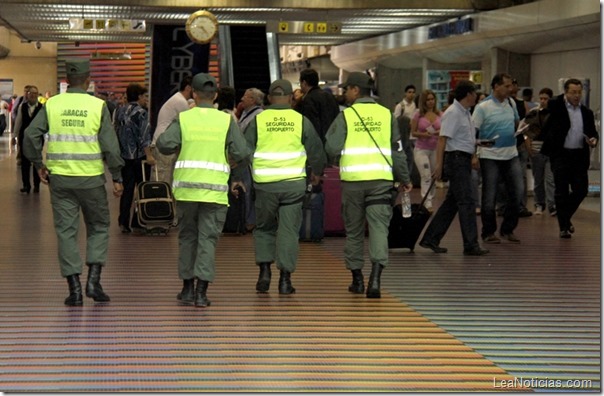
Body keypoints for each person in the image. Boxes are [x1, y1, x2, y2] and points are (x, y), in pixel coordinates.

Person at [23, 59, 124, 306]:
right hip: (90, 180)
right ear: (88, 80)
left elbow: (30, 134)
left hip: (61, 180)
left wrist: (38, 164)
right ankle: (94, 281)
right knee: (99, 226)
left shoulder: (53, 104)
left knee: (66, 232)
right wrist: (118, 176)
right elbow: (110, 146)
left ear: (67, 81)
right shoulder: (98, 105)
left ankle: (75, 290)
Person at [156, 73, 250, 307]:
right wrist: (229, 162)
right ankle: (201, 293)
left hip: (187, 191)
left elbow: (164, 144)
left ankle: (187, 289)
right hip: (215, 192)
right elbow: (242, 152)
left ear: (194, 95)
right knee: (207, 239)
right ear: (215, 95)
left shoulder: (185, 119)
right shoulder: (226, 121)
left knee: (187, 237)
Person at [325, 72, 412, 299]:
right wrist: (404, 178)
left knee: (354, 232)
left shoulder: (346, 116)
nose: (344, 94)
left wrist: (338, 161)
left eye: (346, 89)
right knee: (379, 230)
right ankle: (375, 279)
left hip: (353, 183)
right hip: (380, 183)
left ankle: (357, 280)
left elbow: (331, 147)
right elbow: (397, 150)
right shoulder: (387, 114)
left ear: (355, 90)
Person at [237, 79, 325, 295]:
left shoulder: (259, 121)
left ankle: (264, 273)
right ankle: (285, 280)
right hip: (293, 185)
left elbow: (244, 151)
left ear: (268, 98)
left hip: (266, 186)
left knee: (264, 228)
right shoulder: (300, 120)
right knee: (288, 232)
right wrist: (317, 172)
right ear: (290, 98)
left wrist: (238, 177)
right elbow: (316, 149)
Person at [418, 80, 489, 256]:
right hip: (456, 161)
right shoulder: (453, 113)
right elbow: (443, 139)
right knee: (466, 201)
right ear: (468, 95)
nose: (476, 97)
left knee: (452, 203)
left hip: (461, 159)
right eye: (474, 93)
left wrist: (476, 146)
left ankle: (431, 238)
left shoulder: (464, 112)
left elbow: (462, 137)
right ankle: (470, 244)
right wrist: (439, 166)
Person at [540, 78, 599, 238]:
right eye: (573, 92)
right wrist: (562, 98)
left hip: (579, 155)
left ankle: (564, 216)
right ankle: (563, 227)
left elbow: (593, 132)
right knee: (561, 191)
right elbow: (551, 103)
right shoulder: (557, 106)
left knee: (581, 190)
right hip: (561, 155)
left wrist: (593, 140)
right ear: (565, 92)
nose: (577, 96)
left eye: (579, 92)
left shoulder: (586, 113)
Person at [472, 73, 523, 244]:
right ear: (496, 86)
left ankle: (508, 229)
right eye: (507, 86)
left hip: (511, 153)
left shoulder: (511, 103)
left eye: (511, 86)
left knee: (517, 192)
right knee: (489, 195)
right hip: (489, 155)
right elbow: (472, 132)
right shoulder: (482, 107)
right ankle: (488, 232)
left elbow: (516, 123)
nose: (511, 89)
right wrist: (474, 155)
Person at [114, 83, 153, 233]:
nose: (145, 99)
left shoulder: (120, 111)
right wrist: (149, 155)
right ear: (138, 97)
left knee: (127, 190)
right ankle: (139, 221)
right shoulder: (141, 113)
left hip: (124, 156)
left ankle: (123, 220)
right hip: (139, 157)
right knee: (142, 189)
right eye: (144, 96)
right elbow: (144, 136)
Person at [151, 75, 192, 184]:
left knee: (162, 180)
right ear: (188, 88)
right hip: (164, 146)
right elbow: (189, 123)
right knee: (163, 182)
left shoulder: (177, 99)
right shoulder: (181, 102)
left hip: (162, 144)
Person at [523, 87, 556, 216]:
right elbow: (526, 130)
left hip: (550, 149)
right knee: (538, 178)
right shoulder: (532, 113)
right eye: (541, 98)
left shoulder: (555, 113)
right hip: (536, 148)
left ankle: (552, 204)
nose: (543, 101)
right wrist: (528, 146)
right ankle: (539, 204)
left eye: (546, 99)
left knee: (550, 178)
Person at [410, 89, 441, 211]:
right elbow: (413, 132)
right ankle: (426, 202)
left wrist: (438, 132)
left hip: (435, 149)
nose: (430, 102)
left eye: (432, 99)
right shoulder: (418, 115)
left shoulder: (440, 114)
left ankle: (430, 199)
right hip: (421, 149)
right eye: (428, 100)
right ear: (423, 101)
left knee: (433, 176)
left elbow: (445, 129)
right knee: (426, 175)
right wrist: (423, 134)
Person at [297, 68, 340, 144]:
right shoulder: (330, 96)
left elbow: (311, 126)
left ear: (304, 83)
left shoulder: (309, 99)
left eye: (300, 83)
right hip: (333, 142)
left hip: (319, 145)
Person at [14, 85, 43, 194]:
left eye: (36, 93)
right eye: (32, 93)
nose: (34, 95)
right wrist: (14, 136)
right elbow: (18, 121)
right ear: (28, 94)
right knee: (25, 163)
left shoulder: (41, 107)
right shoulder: (23, 106)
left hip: (37, 139)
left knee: (37, 163)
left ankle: (37, 185)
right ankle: (26, 185)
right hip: (24, 138)